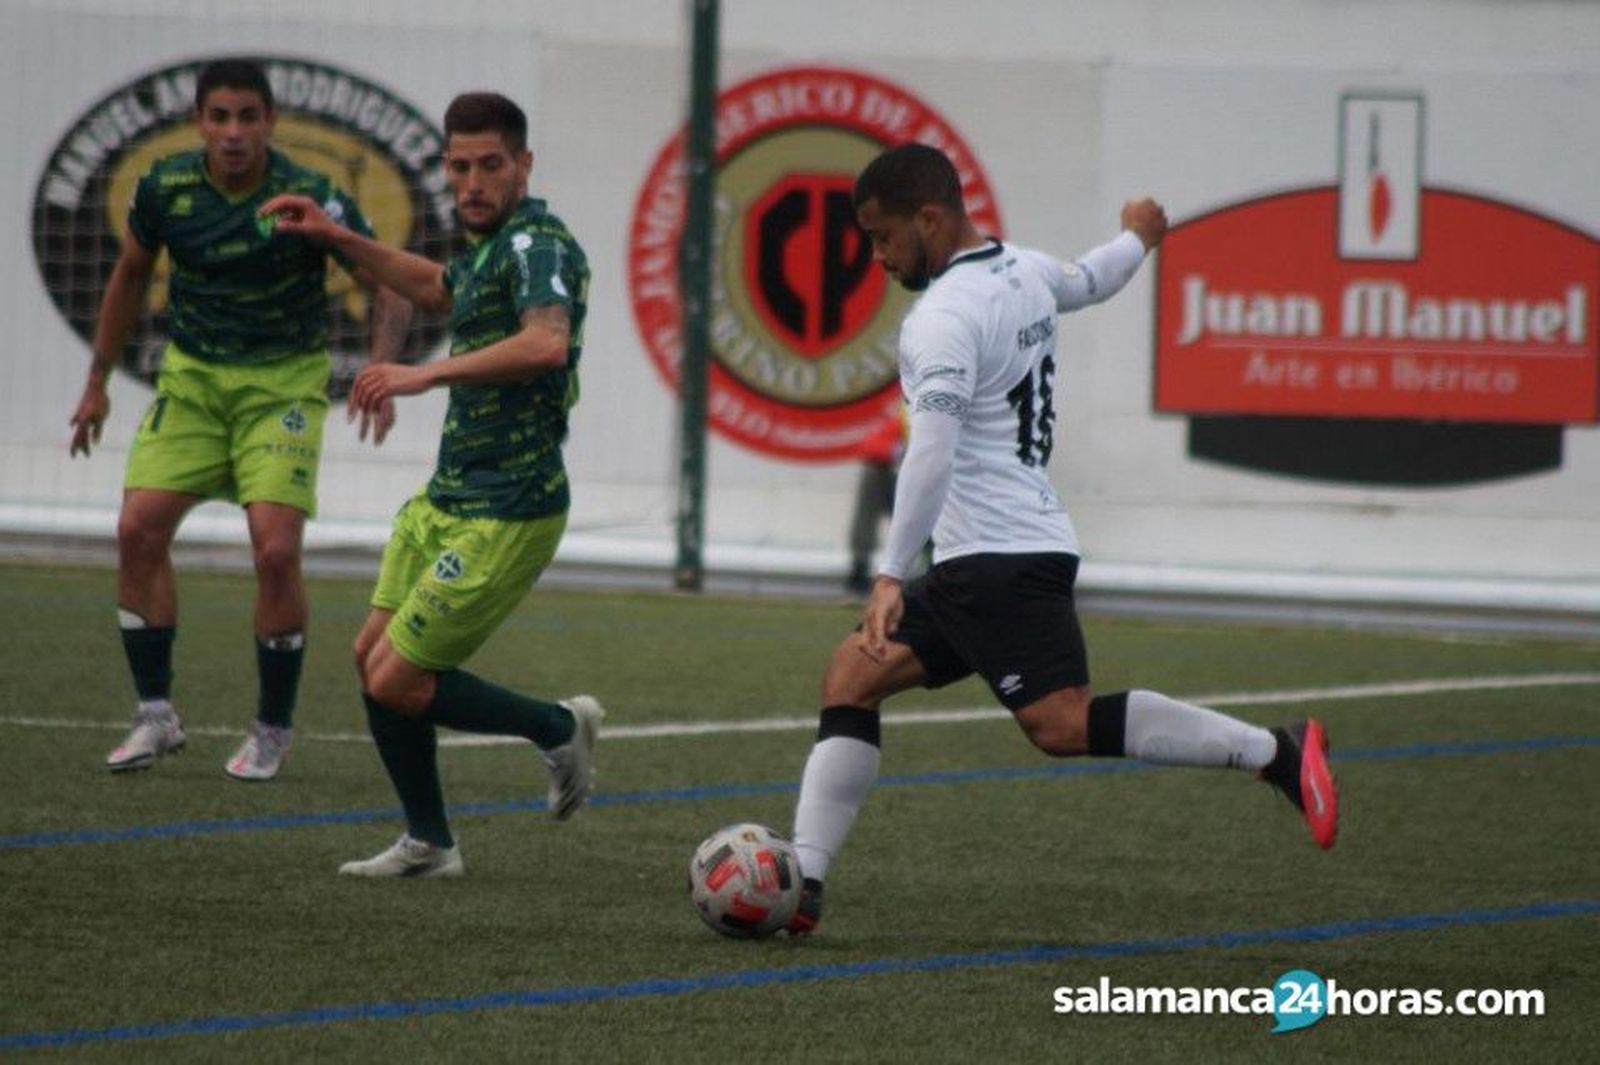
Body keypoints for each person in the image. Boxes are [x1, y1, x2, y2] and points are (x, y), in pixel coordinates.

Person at [786, 143, 1338, 935]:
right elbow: (1093, 278)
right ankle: (803, 882)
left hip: (996, 558)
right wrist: (1138, 236)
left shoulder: (941, 318)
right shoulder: (1025, 270)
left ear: (929, 218)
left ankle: (1275, 751)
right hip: (998, 551)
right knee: (852, 675)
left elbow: (930, 450)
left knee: (1062, 724)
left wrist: (888, 571)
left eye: (883, 238)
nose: (877, 257)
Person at [260, 91, 602, 878]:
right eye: (459, 166)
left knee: (397, 677)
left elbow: (546, 343)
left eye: (490, 165)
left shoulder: (539, 242)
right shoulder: (489, 247)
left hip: (510, 505)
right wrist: (337, 236)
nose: (473, 182)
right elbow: (434, 287)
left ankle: (557, 727)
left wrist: (424, 374)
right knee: (371, 658)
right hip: (449, 496)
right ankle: (430, 841)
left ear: (524, 164)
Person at [68, 58, 412, 781]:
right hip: (193, 383)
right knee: (136, 530)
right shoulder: (164, 188)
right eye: (219, 117)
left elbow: (391, 285)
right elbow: (130, 274)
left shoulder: (310, 195)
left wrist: (381, 371)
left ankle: (272, 728)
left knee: (275, 551)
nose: (232, 133)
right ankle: (155, 716)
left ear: (270, 122)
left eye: (247, 117)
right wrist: (96, 382)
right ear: (199, 122)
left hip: (281, 390)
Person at [844, 406, 906, 596]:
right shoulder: (906, 418)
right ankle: (860, 565)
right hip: (894, 476)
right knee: (873, 474)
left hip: (925, 482)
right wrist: (901, 453)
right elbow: (871, 446)